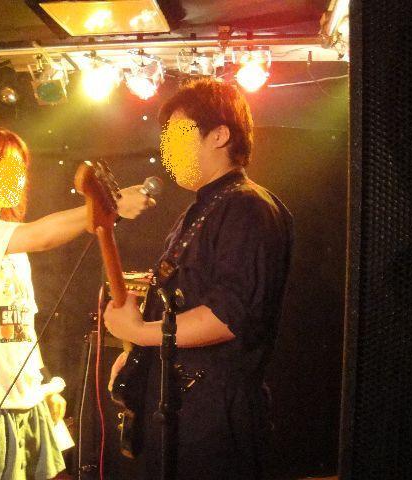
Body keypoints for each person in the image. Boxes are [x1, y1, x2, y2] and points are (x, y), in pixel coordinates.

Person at [0, 126, 153, 480]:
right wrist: (112, 205)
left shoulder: (10, 245)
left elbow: (20, 326)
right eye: (8, 166)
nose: (19, 177)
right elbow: (42, 235)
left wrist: (42, 387)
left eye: (21, 169)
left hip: (24, 401)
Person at [104, 79, 294, 480]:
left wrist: (141, 333)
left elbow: (228, 317)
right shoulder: (200, 210)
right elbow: (184, 303)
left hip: (217, 420)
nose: (168, 148)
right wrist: (142, 354)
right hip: (182, 411)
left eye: (178, 134)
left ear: (220, 135)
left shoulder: (248, 207)